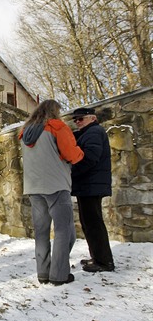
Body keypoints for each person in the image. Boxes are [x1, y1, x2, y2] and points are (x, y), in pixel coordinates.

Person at [19, 99, 84, 285]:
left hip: (33, 187)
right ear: (54, 111)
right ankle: (59, 275)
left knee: (41, 232)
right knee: (65, 231)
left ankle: (43, 273)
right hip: (56, 185)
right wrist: (81, 152)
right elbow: (72, 155)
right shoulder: (57, 127)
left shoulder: (25, 132)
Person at [71, 107, 115, 272]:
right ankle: (98, 257)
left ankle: (104, 262)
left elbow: (89, 158)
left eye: (80, 119)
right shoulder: (89, 133)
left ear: (92, 118)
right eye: (75, 120)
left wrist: (71, 173)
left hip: (91, 185)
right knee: (89, 223)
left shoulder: (94, 132)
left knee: (93, 224)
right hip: (89, 185)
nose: (77, 122)